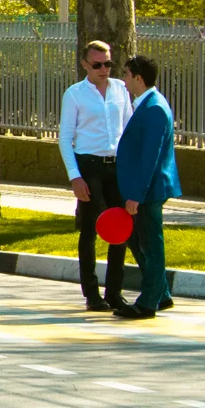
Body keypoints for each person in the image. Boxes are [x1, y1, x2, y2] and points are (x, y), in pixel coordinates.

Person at [57, 41, 131, 309]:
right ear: (85, 64)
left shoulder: (121, 89)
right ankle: (92, 293)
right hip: (89, 166)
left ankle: (114, 292)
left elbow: (128, 128)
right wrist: (75, 177)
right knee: (90, 229)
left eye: (108, 64)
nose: (103, 70)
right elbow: (65, 138)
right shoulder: (75, 94)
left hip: (116, 165)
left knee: (120, 228)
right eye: (97, 65)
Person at [111, 54, 180, 319]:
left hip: (148, 190)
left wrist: (136, 195)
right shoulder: (147, 104)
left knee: (150, 246)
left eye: (127, 74)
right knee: (138, 240)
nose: (124, 80)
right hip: (143, 189)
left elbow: (150, 156)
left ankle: (148, 302)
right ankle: (161, 294)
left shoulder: (154, 108)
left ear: (139, 78)